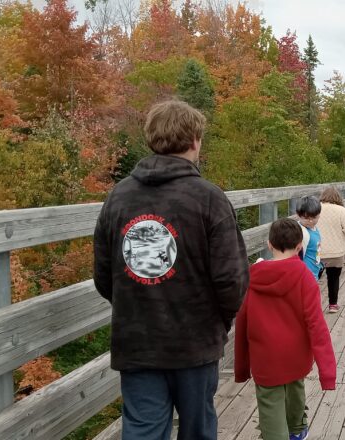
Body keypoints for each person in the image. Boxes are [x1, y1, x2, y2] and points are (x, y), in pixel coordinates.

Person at [93, 100, 249, 439]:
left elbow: (104, 276)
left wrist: (137, 305)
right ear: (195, 140)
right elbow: (231, 279)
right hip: (195, 342)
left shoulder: (118, 197)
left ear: (151, 138)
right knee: (197, 430)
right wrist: (219, 322)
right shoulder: (208, 198)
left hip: (137, 342)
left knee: (142, 430)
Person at [235, 218, 336, 440]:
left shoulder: (251, 278)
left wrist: (242, 368)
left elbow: (242, 322)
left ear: (269, 244)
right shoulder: (304, 278)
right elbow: (316, 325)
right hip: (296, 354)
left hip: (264, 358)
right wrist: (327, 372)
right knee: (295, 389)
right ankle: (298, 430)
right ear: (300, 246)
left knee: (270, 402)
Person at [317, 186, 345, 313]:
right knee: (333, 278)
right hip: (336, 252)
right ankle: (333, 304)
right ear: (338, 197)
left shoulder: (315, 209)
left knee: (314, 279)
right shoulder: (341, 210)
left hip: (317, 252)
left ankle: (313, 305)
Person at [295, 196, 324, 280]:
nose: (311, 221)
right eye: (306, 218)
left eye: (314, 218)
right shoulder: (302, 233)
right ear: (298, 215)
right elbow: (297, 258)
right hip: (305, 276)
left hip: (314, 273)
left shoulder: (313, 228)